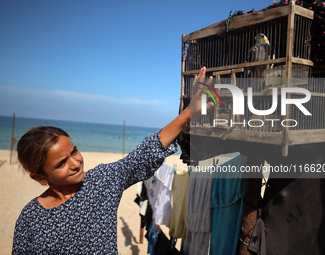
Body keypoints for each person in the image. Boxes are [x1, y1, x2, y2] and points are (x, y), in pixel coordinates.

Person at [12, 68, 214, 254]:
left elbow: (141, 157)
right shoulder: (30, 218)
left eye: (74, 152)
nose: (75, 163)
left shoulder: (100, 183)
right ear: (39, 177)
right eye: (60, 164)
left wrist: (187, 114)